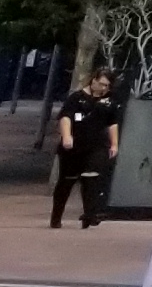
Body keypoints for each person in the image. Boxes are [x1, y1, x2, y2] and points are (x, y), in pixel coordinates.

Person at [52, 65, 121, 229]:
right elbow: (65, 117)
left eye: (107, 86)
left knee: (92, 177)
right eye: (101, 84)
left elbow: (112, 123)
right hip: (74, 146)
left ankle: (90, 213)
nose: (103, 88)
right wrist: (67, 136)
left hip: (96, 145)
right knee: (66, 181)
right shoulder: (76, 98)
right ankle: (56, 216)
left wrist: (114, 144)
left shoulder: (109, 101)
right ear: (93, 81)